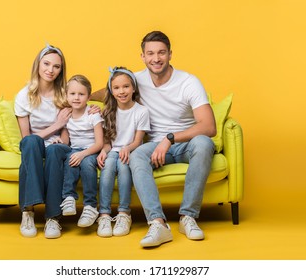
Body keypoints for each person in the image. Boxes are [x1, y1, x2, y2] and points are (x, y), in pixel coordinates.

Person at [92, 31, 217, 248]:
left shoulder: (188, 82)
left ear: (170, 54)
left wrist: (169, 139)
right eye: (150, 53)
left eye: (161, 52)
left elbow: (208, 126)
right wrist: (78, 100)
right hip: (152, 146)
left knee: (204, 143)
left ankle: (188, 217)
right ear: (142, 56)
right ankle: (158, 224)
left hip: (184, 143)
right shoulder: (136, 80)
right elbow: (111, 90)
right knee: (136, 155)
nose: (156, 58)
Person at [14, 44, 72, 239]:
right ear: (38, 65)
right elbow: (26, 138)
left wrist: (95, 108)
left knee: (56, 152)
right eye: (46, 64)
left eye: (56, 66)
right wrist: (56, 125)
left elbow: (66, 136)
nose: (50, 70)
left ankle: (52, 218)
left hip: (56, 147)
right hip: (34, 146)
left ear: (61, 70)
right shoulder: (24, 96)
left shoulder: (65, 94)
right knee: (30, 143)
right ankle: (28, 212)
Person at [96, 67, 150, 238]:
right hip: (113, 150)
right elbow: (107, 142)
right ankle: (104, 215)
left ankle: (124, 213)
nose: (122, 91)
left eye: (126, 86)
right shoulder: (108, 112)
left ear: (133, 88)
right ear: (111, 91)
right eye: (117, 88)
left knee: (124, 166)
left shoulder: (141, 111)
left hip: (132, 150)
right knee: (109, 164)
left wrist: (127, 149)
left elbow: (137, 140)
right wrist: (103, 151)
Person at [60, 75, 104, 228]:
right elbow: (66, 139)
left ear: (89, 97)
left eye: (81, 94)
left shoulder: (93, 115)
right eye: (72, 94)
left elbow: (99, 143)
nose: (76, 98)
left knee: (86, 164)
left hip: (91, 150)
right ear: (66, 95)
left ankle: (90, 206)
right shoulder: (66, 115)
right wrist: (59, 141)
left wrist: (83, 154)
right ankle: (69, 198)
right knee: (70, 160)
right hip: (75, 149)